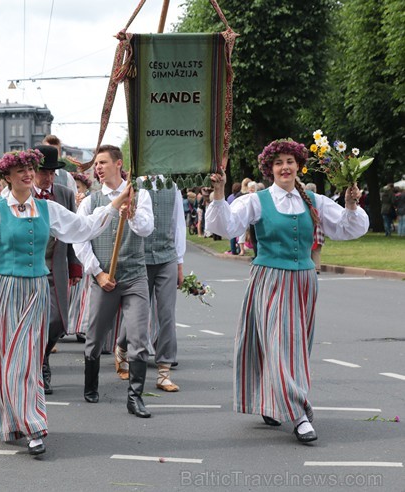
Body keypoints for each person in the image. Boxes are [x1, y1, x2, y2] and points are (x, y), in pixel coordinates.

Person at [0, 148, 130, 456]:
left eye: (31, 169)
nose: (29, 174)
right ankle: (11, 419)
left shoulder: (48, 209)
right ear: (8, 177)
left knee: (25, 361)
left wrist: (114, 204)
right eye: (21, 171)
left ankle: (33, 426)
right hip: (3, 292)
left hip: (35, 292)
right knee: (3, 361)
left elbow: (82, 229)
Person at [205, 139, 369, 443]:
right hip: (271, 279)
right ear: (269, 169)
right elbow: (225, 227)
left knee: (295, 348)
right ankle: (298, 413)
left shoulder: (313, 201)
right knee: (280, 345)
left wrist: (350, 205)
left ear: (298, 166)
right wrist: (218, 193)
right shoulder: (257, 200)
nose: (285, 167)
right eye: (278, 162)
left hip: (305, 281)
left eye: (290, 161)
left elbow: (348, 228)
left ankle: (274, 401)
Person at [74, 144, 155, 419]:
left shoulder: (139, 195)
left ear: (119, 164)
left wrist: (130, 214)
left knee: (138, 338)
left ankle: (135, 397)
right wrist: (97, 272)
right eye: (96, 163)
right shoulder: (91, 201)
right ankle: (91, 383)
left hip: (134, 276)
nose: (97, 167)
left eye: (103, 162)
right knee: (95, 338)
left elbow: (147, 228)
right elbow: (80, 239)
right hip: (104, 278)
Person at [114, 174, 186, 391]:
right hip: (139, 258)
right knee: (138, 313)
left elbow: (178, 224)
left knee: (167, 314)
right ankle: (121, 347)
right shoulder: (132, 185)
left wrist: (179, 262)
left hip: (167, 256)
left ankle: (164, 371)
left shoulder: (172, 187)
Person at [29, 144, 82, 395]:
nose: (48, 177)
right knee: (36, 320)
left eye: (52, 172)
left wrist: (74, 267)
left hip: (56, 266)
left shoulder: (64, 194)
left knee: (59, 321)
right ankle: (40, 367)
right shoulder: (22, 194)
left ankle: (43, 355)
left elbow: (72, 232)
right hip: (30, 268)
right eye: (43, 172)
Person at [67, 173, 94, 341]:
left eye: (79, 187)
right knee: (72, 293)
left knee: (83, 292)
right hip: (72, 248)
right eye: (74, 187)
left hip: (85, 250)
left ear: (85, 189)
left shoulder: (88, 203)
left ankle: (82, 326)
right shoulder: (70, 203)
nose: (76, 190)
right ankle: (69, 324)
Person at [305, 182, 325, 272]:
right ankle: (316, 267)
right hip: (319, 228)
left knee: (310, 249)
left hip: (311, 227)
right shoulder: (319, 199)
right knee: (316, 250)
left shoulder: (306, 199)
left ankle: (313, 267)